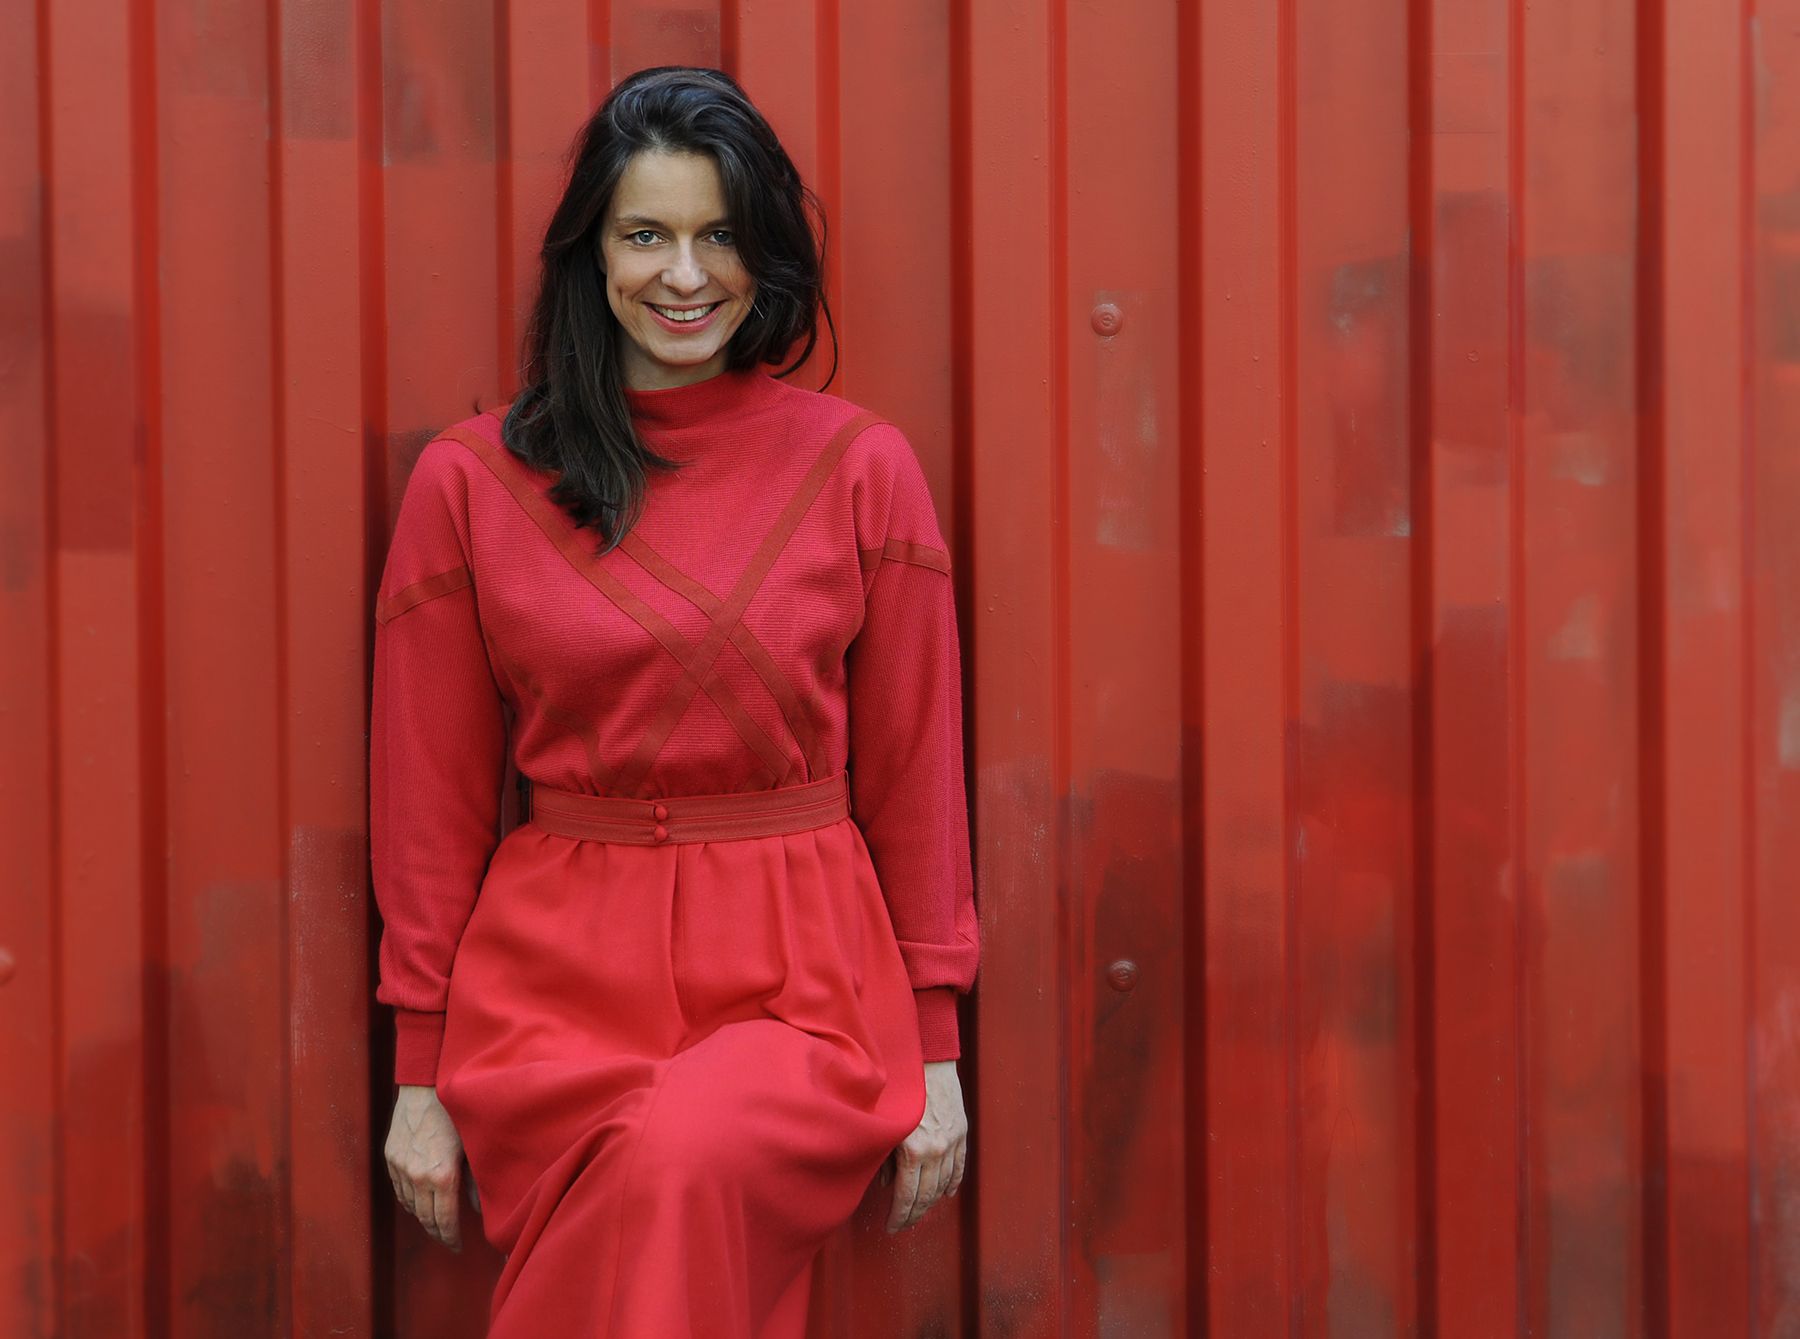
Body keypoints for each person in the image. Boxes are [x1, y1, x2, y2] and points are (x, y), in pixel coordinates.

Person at [370, 64, 981, 1337]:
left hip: (801, 979)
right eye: (646, 235)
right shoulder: (471, 483)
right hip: (552, 986)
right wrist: (419, 1068)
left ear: (766, 255)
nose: (686, 275)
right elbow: (428, 797)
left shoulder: (859, 467)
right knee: (656, 1213)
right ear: (591, 253)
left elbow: (916, 767)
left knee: (674, 1159)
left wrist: (935, 1044)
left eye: (720, 236)